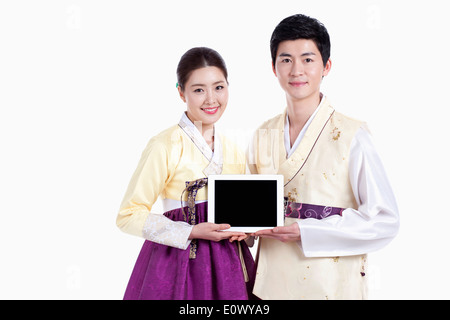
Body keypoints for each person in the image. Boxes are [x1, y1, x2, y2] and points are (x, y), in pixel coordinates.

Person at [246, 14, 399, 299]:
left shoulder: (354, 135)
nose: (296, 70)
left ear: (326, 66)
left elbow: (384, 220)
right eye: (286, 59)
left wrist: (305, 231)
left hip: (330, 283)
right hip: (270, 284)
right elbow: (250, 212)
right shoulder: (262, 134)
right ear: (273, 67)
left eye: (307, 59)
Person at [116, 47, 254, 300]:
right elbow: (128, 215)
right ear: (181, 92)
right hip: (177, 263)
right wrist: (190, 231)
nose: (211, 99)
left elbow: (241, 214)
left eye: (219, 87)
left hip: (229, 266)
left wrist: (245, 229)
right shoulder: (164, 145)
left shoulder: (233, 150)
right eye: (199, 89)